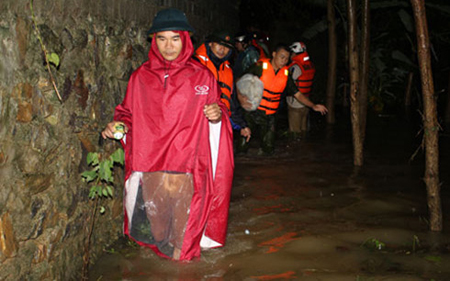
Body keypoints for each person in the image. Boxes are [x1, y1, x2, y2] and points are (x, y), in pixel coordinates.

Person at [101, 8, 234, 261]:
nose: (168, 45)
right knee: (158, 235)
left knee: (181, 248)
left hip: (187, 169)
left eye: (175, 38)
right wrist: (117, 125)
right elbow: (127, 113)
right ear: (154, 41)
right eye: (162, 38)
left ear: (185, 39)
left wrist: (217, 116)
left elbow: (218, 115)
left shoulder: (202, 76)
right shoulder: (140, 78)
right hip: (152, 167)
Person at [237, 43, 327, 155]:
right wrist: (241, 98)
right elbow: (240, 80)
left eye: (287, 58)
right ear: (274, 54)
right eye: (282, 57)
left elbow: (297, 94)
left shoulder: (285, 73)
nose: (284, 61)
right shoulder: (260, 66)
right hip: (252, 111)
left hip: (270, 115)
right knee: (242, 146)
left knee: (269, 149)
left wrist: (313, 105)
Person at [194, 30, 251, 144]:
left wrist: (242, 125)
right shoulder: (194, 65)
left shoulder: (228, 71)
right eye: (219, 44)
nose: (222, 49)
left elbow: (232, 102)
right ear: (210, 43)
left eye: (227, 47)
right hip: (197, 126)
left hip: (220, 125)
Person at [287, 41, 316, 137]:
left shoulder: (295, 67)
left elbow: (288, 83)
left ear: (294, 53)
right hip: (306, 102)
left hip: (296, 103)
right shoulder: (310, 65)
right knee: (304, 131)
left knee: (295, 134)